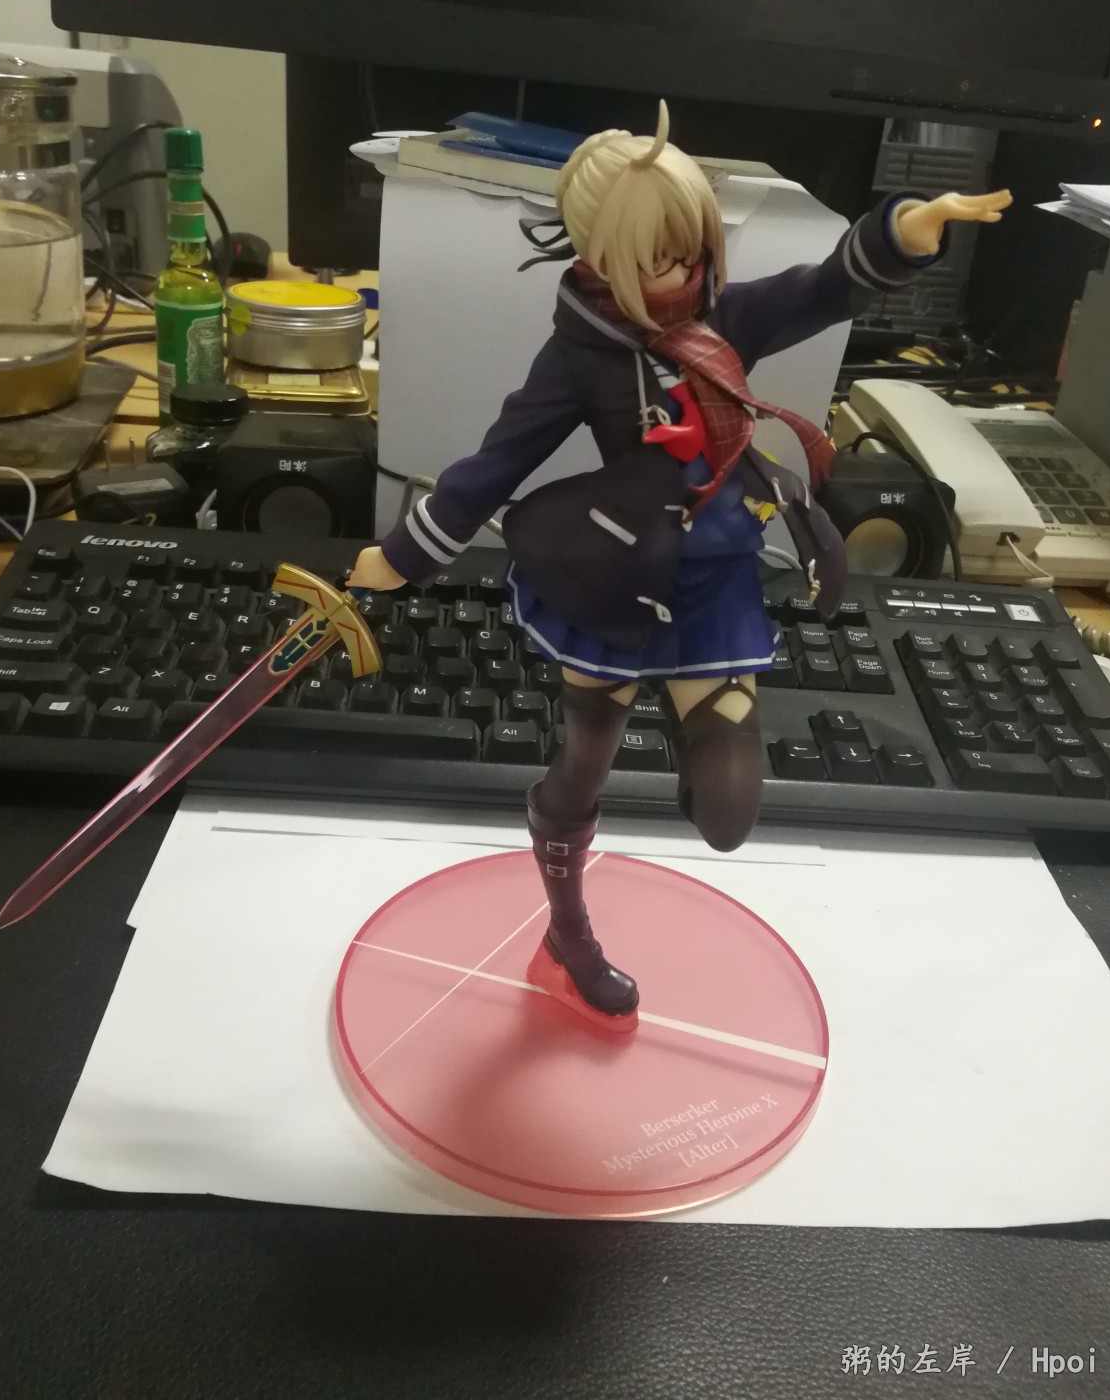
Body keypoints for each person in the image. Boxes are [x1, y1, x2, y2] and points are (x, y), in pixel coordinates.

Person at [351, 102, 1011, 1029]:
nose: (674, 270)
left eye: (686, 248)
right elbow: (499, 458)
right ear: (598, 251)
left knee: (729, 810)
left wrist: (903, 231)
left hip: (713, 578)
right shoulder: (579, 355)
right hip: (615, 579)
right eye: (650, 254)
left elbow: (824, 288)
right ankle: (567, 930)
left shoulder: (725, 319)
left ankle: (690, 712)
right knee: (580, 772)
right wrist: (403, 553)